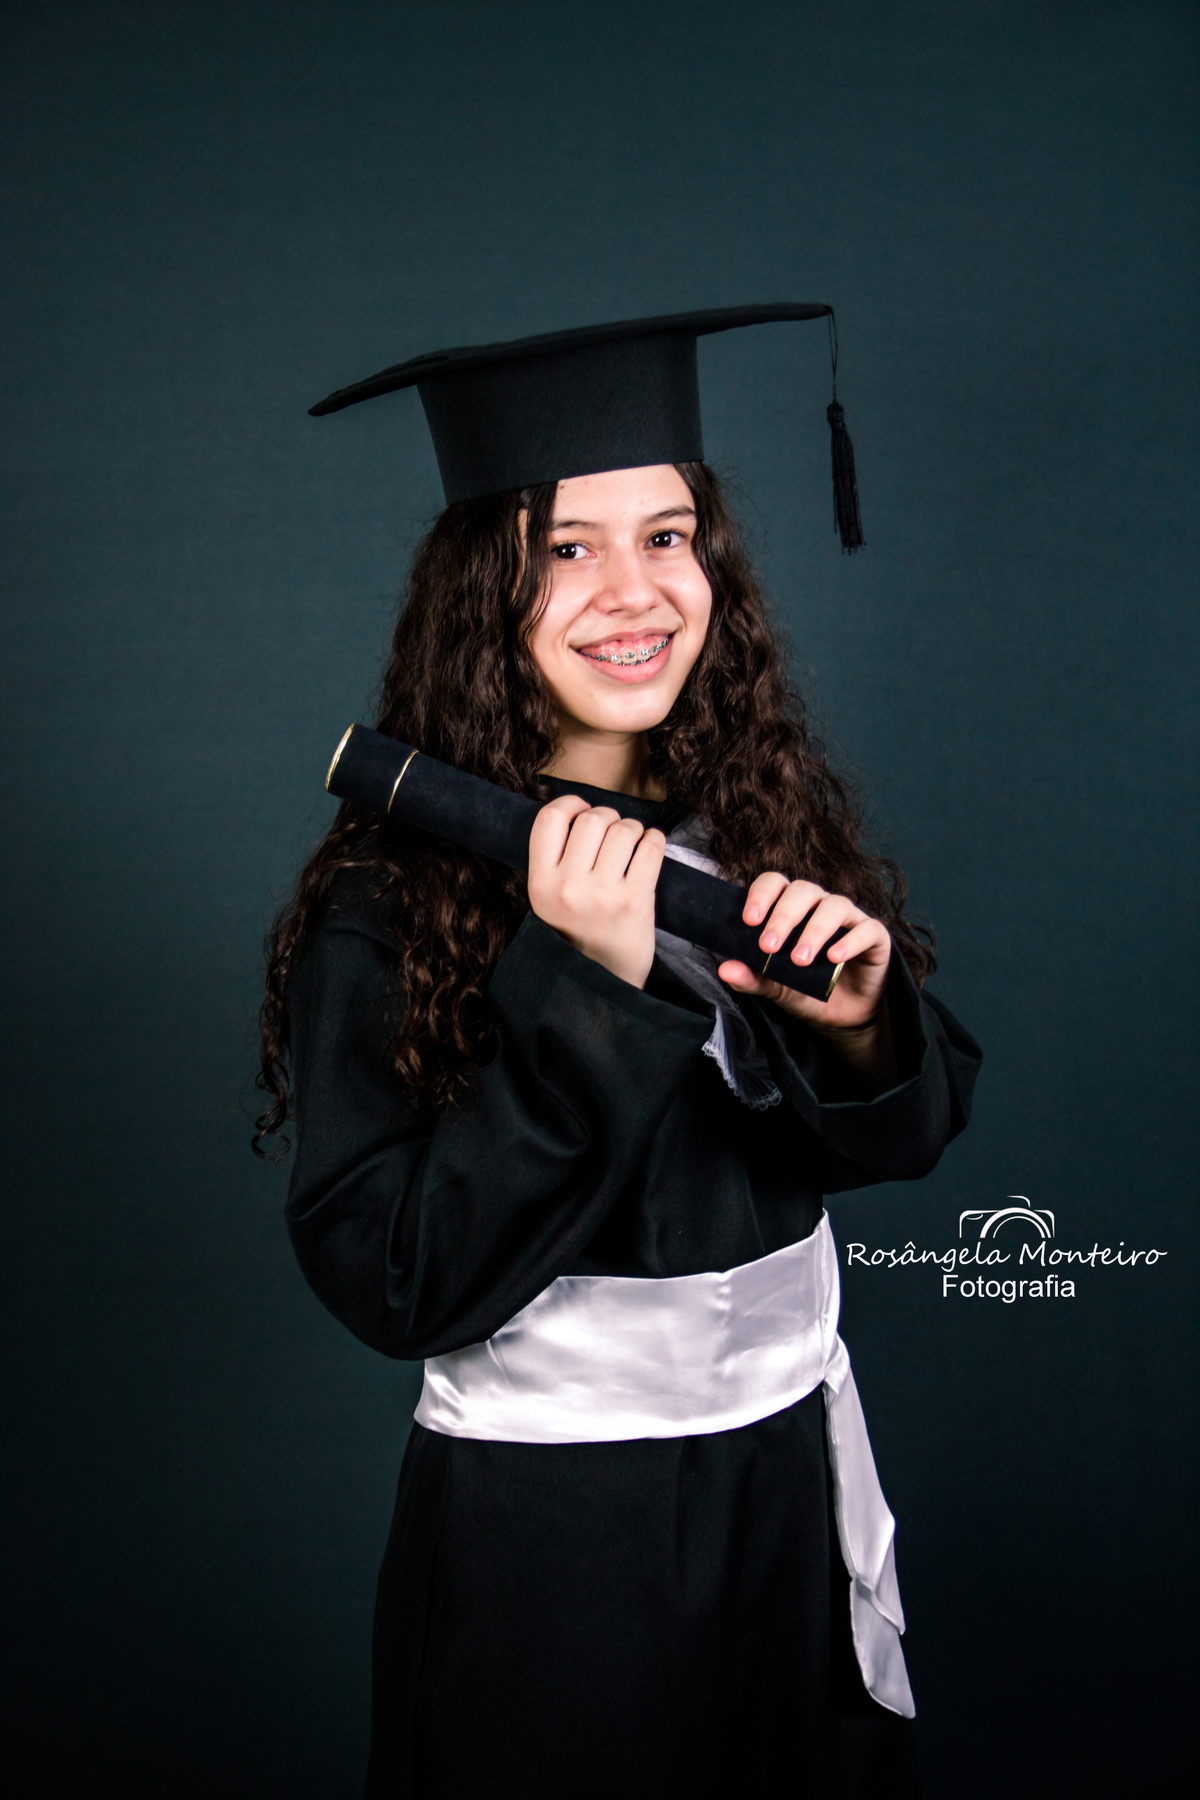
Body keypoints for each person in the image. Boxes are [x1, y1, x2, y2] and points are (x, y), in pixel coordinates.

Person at [256, 308, 981, 1800]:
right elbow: (397, 1279)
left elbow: (905, 1138)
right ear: (486, 588)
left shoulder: (763, 824)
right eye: (570, 548)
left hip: (785, 1487)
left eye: (670, 534)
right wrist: (578, 986)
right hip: (547, 1543)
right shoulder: (389, 904)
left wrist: (857, 1024)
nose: (635, 591)